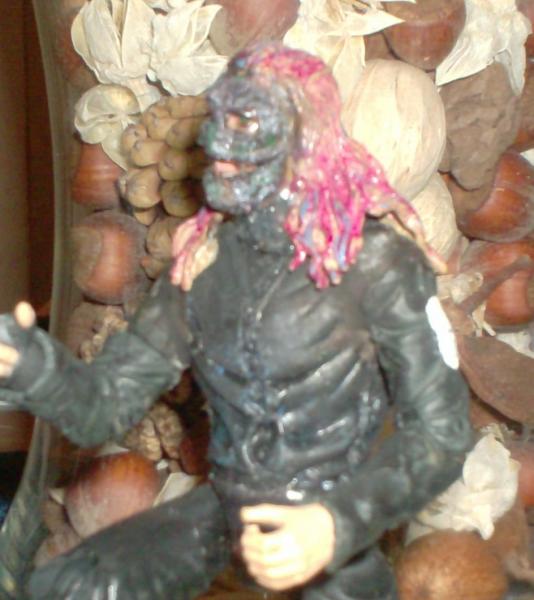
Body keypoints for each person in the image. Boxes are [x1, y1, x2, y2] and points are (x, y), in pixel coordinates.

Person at [0, 44, 471, 599]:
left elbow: (441, 434)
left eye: (248, 123)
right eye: (221, 118)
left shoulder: (375, 262)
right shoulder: (200, 264)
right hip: (227, 508)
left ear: (304, 140)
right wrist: (33, 369)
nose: (220, 143)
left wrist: (333, 523)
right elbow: (106, 404)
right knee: (72, 585)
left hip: (334, 524)